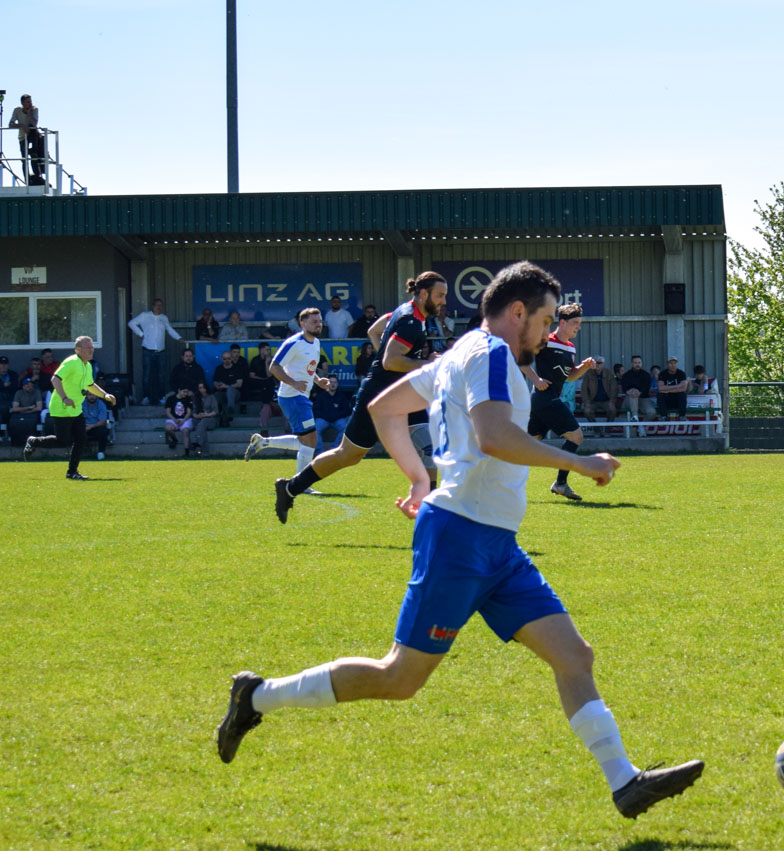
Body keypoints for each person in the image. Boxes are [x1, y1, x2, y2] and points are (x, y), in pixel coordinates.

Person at [214, 261, 703, 820]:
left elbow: (383, 408)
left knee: (574, 655)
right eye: (546, 320)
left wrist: (419, 479)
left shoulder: (459, 352)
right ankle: (256, 696)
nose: (549, 332)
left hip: (497, 545)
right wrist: (580, 462)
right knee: (399, 678)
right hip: (460, 539)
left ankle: (624, 782)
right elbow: (493, 436)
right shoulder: (490, 353)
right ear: (516, 312)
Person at [274, 273, 447, 523]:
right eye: (440, 296)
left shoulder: (405, 311)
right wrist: (427, 364)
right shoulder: (410, 322)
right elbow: (391, 361)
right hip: (378, 396)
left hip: (403, 393)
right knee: (348, 455)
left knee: (429, 447)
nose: (443, 301)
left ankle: (431, 516)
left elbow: (373, 331)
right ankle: (290, 487)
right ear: (423, 294)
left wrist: (399, 364)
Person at [244, 307, 334, 479]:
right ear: (303, 324)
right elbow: (274, 367)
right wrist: (294, 383)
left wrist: (317, 381)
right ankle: (300, 483)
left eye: (320, 321)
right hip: (292, 397)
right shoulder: (294, 343)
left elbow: (307, 368)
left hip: (300, 396)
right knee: (311, 440)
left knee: (306, 441)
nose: (319, 325)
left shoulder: (315, 342)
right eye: (314, 322)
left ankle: (264, 442)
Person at [523, 302, 598, 502]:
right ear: (562, 323)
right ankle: (561, 484)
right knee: (576, 436)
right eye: (575, 323)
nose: (578, 327)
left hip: (545, 401)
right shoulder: (545, 340)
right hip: (545, 398)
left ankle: (491, 479)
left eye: (580, 323)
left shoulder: (570, 347)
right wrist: (536, 379)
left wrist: (584, 366)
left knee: (525, 448)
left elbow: (570, 376)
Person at [23, 336, 117, 480]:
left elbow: (90, 385)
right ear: (78, 349)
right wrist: (65, 398)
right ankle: (33, 441)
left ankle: (72, 472)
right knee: (62, 441)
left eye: (92, 347)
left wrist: (105, 395)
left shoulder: (88, 365)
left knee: (81, 439)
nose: (91, 350)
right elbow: (55, 379)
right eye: (88, 347)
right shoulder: (71, 362)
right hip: (61, 407)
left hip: (76, 409)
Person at [128, 298, 183, 405]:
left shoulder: (164, 318)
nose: (159, 307)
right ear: (152, 306)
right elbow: (131, 323)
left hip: (160, 351)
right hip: (147, 350)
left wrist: (178, 338)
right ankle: (146, 397)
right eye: (157, 305)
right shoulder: (145, 315)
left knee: (161, 375)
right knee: (147, 375)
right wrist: (141, 334)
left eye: (161, 305)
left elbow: (169, 329)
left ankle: (161, 397)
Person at [311, 362, 350, 450]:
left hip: (337, 420)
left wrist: (335, 416)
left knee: (346, 428)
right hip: (323, 420)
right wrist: (326, 417)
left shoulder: (341, 396)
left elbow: (346, 410)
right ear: (327, 383)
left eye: (335, 382)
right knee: (315, 429)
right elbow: (316, 410)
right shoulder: (321, 396)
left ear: (337, 384)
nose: (333, 384)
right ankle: (319, 452)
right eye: (331, 382)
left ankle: (333, 450)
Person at [7, 94, 44, 184]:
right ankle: (27, 180)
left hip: (33, 137)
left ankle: (37, 177)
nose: (30, 104)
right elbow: (10, 124)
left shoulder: (35, 109)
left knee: (34, 156)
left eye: (30, 101)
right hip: (23, 137)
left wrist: (30, 113)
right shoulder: (17, 110)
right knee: (24, 159)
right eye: (28, 102)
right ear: (22, 103)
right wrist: (21, 125)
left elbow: (34, 124)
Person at [214, 346, 247, 424]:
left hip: (235, 394)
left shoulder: (237, 368)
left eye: (228, 358)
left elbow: (239, 384)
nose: (227, 360)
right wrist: (218, 385)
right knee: (216, 394)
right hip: (222, 393)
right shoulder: (219, 368)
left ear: (232, 358)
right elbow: (215, 382)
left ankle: (230, 412)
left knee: (230, 390)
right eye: (225, 359)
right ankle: (218, 414)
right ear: (222, 359)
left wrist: (226, 386)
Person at [619, 354, 654, 425]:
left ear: (641, 363)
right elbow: (624, 388)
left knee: (652, 412)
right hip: (629, 399)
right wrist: (631, 391)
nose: (637, 364)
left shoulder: (646, 375)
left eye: (639, 363)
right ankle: (635, 417)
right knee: (633, 395)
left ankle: (641, 427)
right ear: (632, 364)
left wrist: (639, 392)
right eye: (635, 363)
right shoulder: (626, 375)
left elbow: (646, 389)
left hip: (643, 398)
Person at [9, 377, 41, 446]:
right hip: (21, 414)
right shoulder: (18, 393)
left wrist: (24, 411)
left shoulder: (37, 392)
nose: (29, 386)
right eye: (27, 385)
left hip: (32, 414)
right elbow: (15, 408)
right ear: (23, 386)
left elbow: (39, 408)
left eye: (31, 385)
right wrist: (28, 408)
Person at [163, 388, 197, 455]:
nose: (185, 394)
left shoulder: (188, 399)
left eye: (187, 392)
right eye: (184, 392)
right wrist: (174, 420)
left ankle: (187, 452)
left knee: (186, 431)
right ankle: (174, 439)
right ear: (179, 390)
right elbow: (167, 412)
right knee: (167, 428)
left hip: (185, 419)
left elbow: (189, 412)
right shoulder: (170, 399)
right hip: (173, 419)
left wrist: (183, 420)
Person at [82, 394, 112, 459]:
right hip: (84, 426)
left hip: (96, 426)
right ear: (86, 396)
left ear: (97, 396)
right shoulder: (82, 404)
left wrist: (91, 426)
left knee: (103, 430)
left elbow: (103, 421)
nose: (91, 397)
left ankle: (100, 452)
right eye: (89, 395)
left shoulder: (101, 404)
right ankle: (78, 452)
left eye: (93, 395)